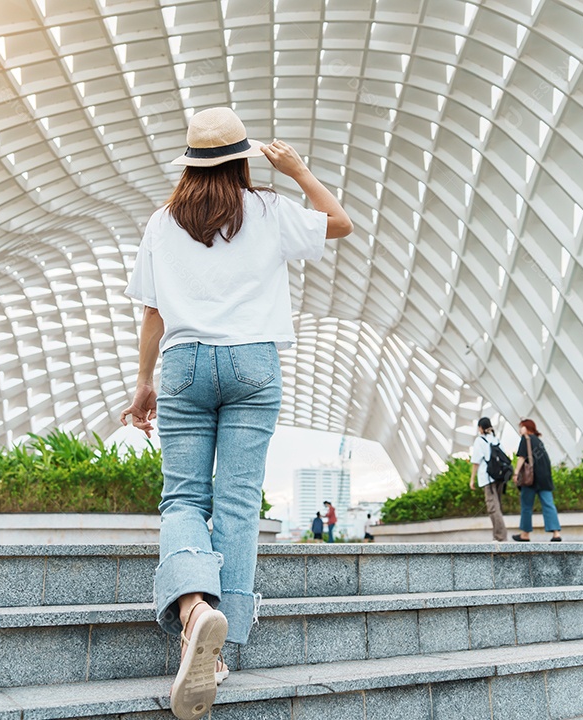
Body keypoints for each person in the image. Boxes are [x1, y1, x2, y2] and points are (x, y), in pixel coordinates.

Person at [119, 106, 352, 720]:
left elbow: (151, 314)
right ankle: (222, 651)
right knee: (238, 499)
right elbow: (340, 223)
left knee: (183, 498)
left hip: (185, 364)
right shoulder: (269, 212)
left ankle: (195, 609)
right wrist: (298, 170)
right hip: (253, 363)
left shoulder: (163, 223)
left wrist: (144, 385)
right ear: (242, 160)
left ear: (190, 165)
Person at [512, 418, 562, 542]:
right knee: (548, 504)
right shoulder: (538, 440)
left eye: (521, 426)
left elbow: (522, 457)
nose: (520, 429)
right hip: (544, 478)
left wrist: (516, 473)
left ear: (527, 428)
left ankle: (525, 534)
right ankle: (556, 533)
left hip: (531, 479)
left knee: (526, 506)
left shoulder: (526, 438)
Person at [468, 417, 508, 542]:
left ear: (480, 427)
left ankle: (500, 536)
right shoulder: (495, 439)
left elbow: (476, 461)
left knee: (492, 507)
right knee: (498, 506)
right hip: (499, 477)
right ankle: (499, 535)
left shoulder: (480, 440)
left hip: (487, 477)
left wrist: (472, 479)